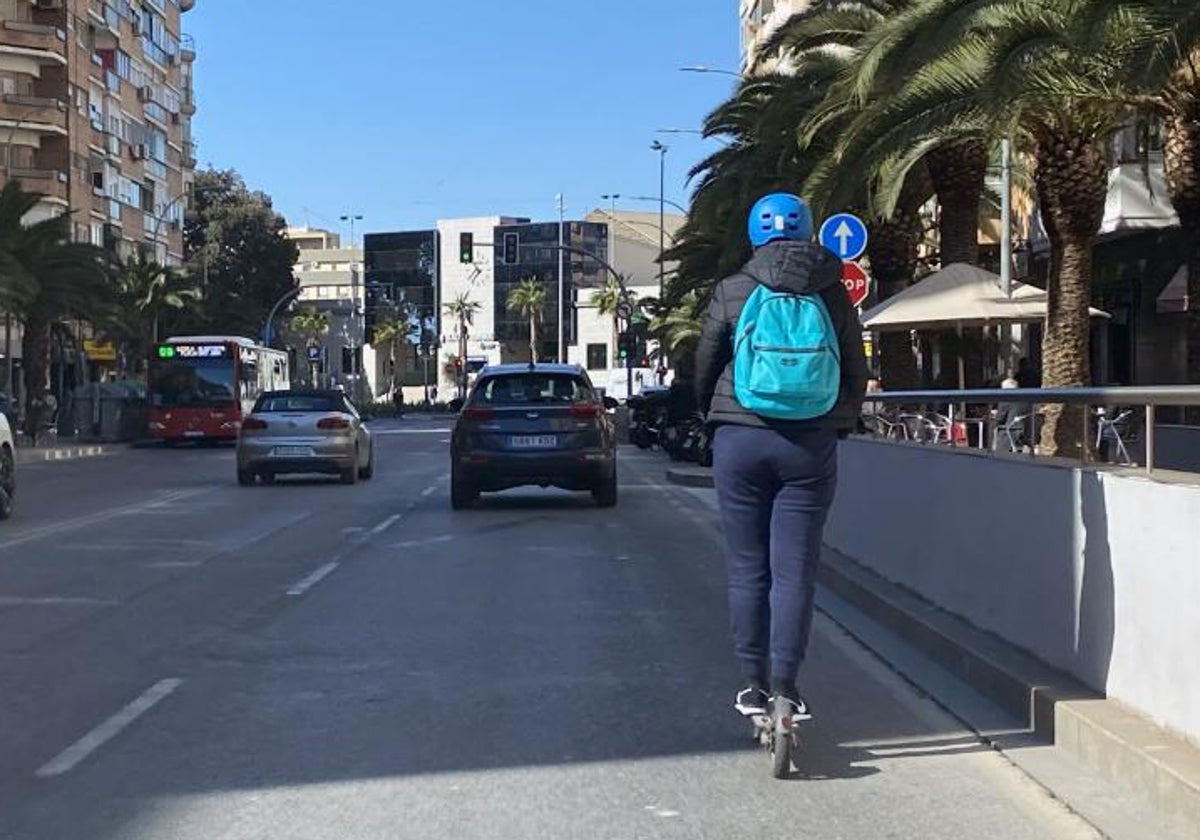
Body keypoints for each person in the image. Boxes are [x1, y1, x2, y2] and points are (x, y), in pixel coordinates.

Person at [696, 192, 867, 720]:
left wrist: (712, 414)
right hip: (809, 444)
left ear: (753, 234)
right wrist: (839, 421)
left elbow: (704, 360)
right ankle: (788, 688)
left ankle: (753, 686)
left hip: (740, 439)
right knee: (794, 572)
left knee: (749, 569)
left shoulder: (733, 289)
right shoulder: (833, 292)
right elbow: (854, 369)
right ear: (808, 231)